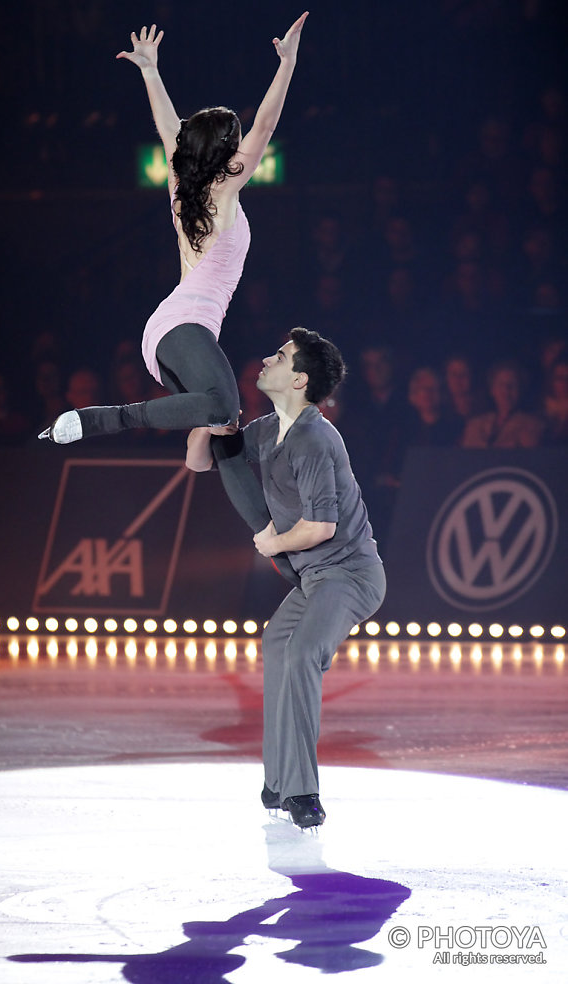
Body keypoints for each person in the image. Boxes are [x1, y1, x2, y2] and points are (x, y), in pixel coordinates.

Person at [39, 13, 308, 446]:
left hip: (173, 328)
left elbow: (169, 128)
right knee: (225, 407)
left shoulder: (180, 182)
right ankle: (102, 420)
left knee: (224, 430)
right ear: (225, 151)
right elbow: (266, 125)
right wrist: (287, 62)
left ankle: (263, 519)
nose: (243, 147)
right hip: (184, 326)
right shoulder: (223, 188)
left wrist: (150, 71)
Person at [186, 328, 386, 829]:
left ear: (298, 379)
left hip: (351, 574)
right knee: (277, 642)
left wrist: (271, 543)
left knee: (301, 653)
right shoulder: (268, 430)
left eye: (279, 356)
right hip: (315, 580)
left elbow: (320, 527)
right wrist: (206, 421)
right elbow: (198, 460)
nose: (265, 360)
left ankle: (302, 792)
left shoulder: (315, 437)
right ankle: (277, 782)